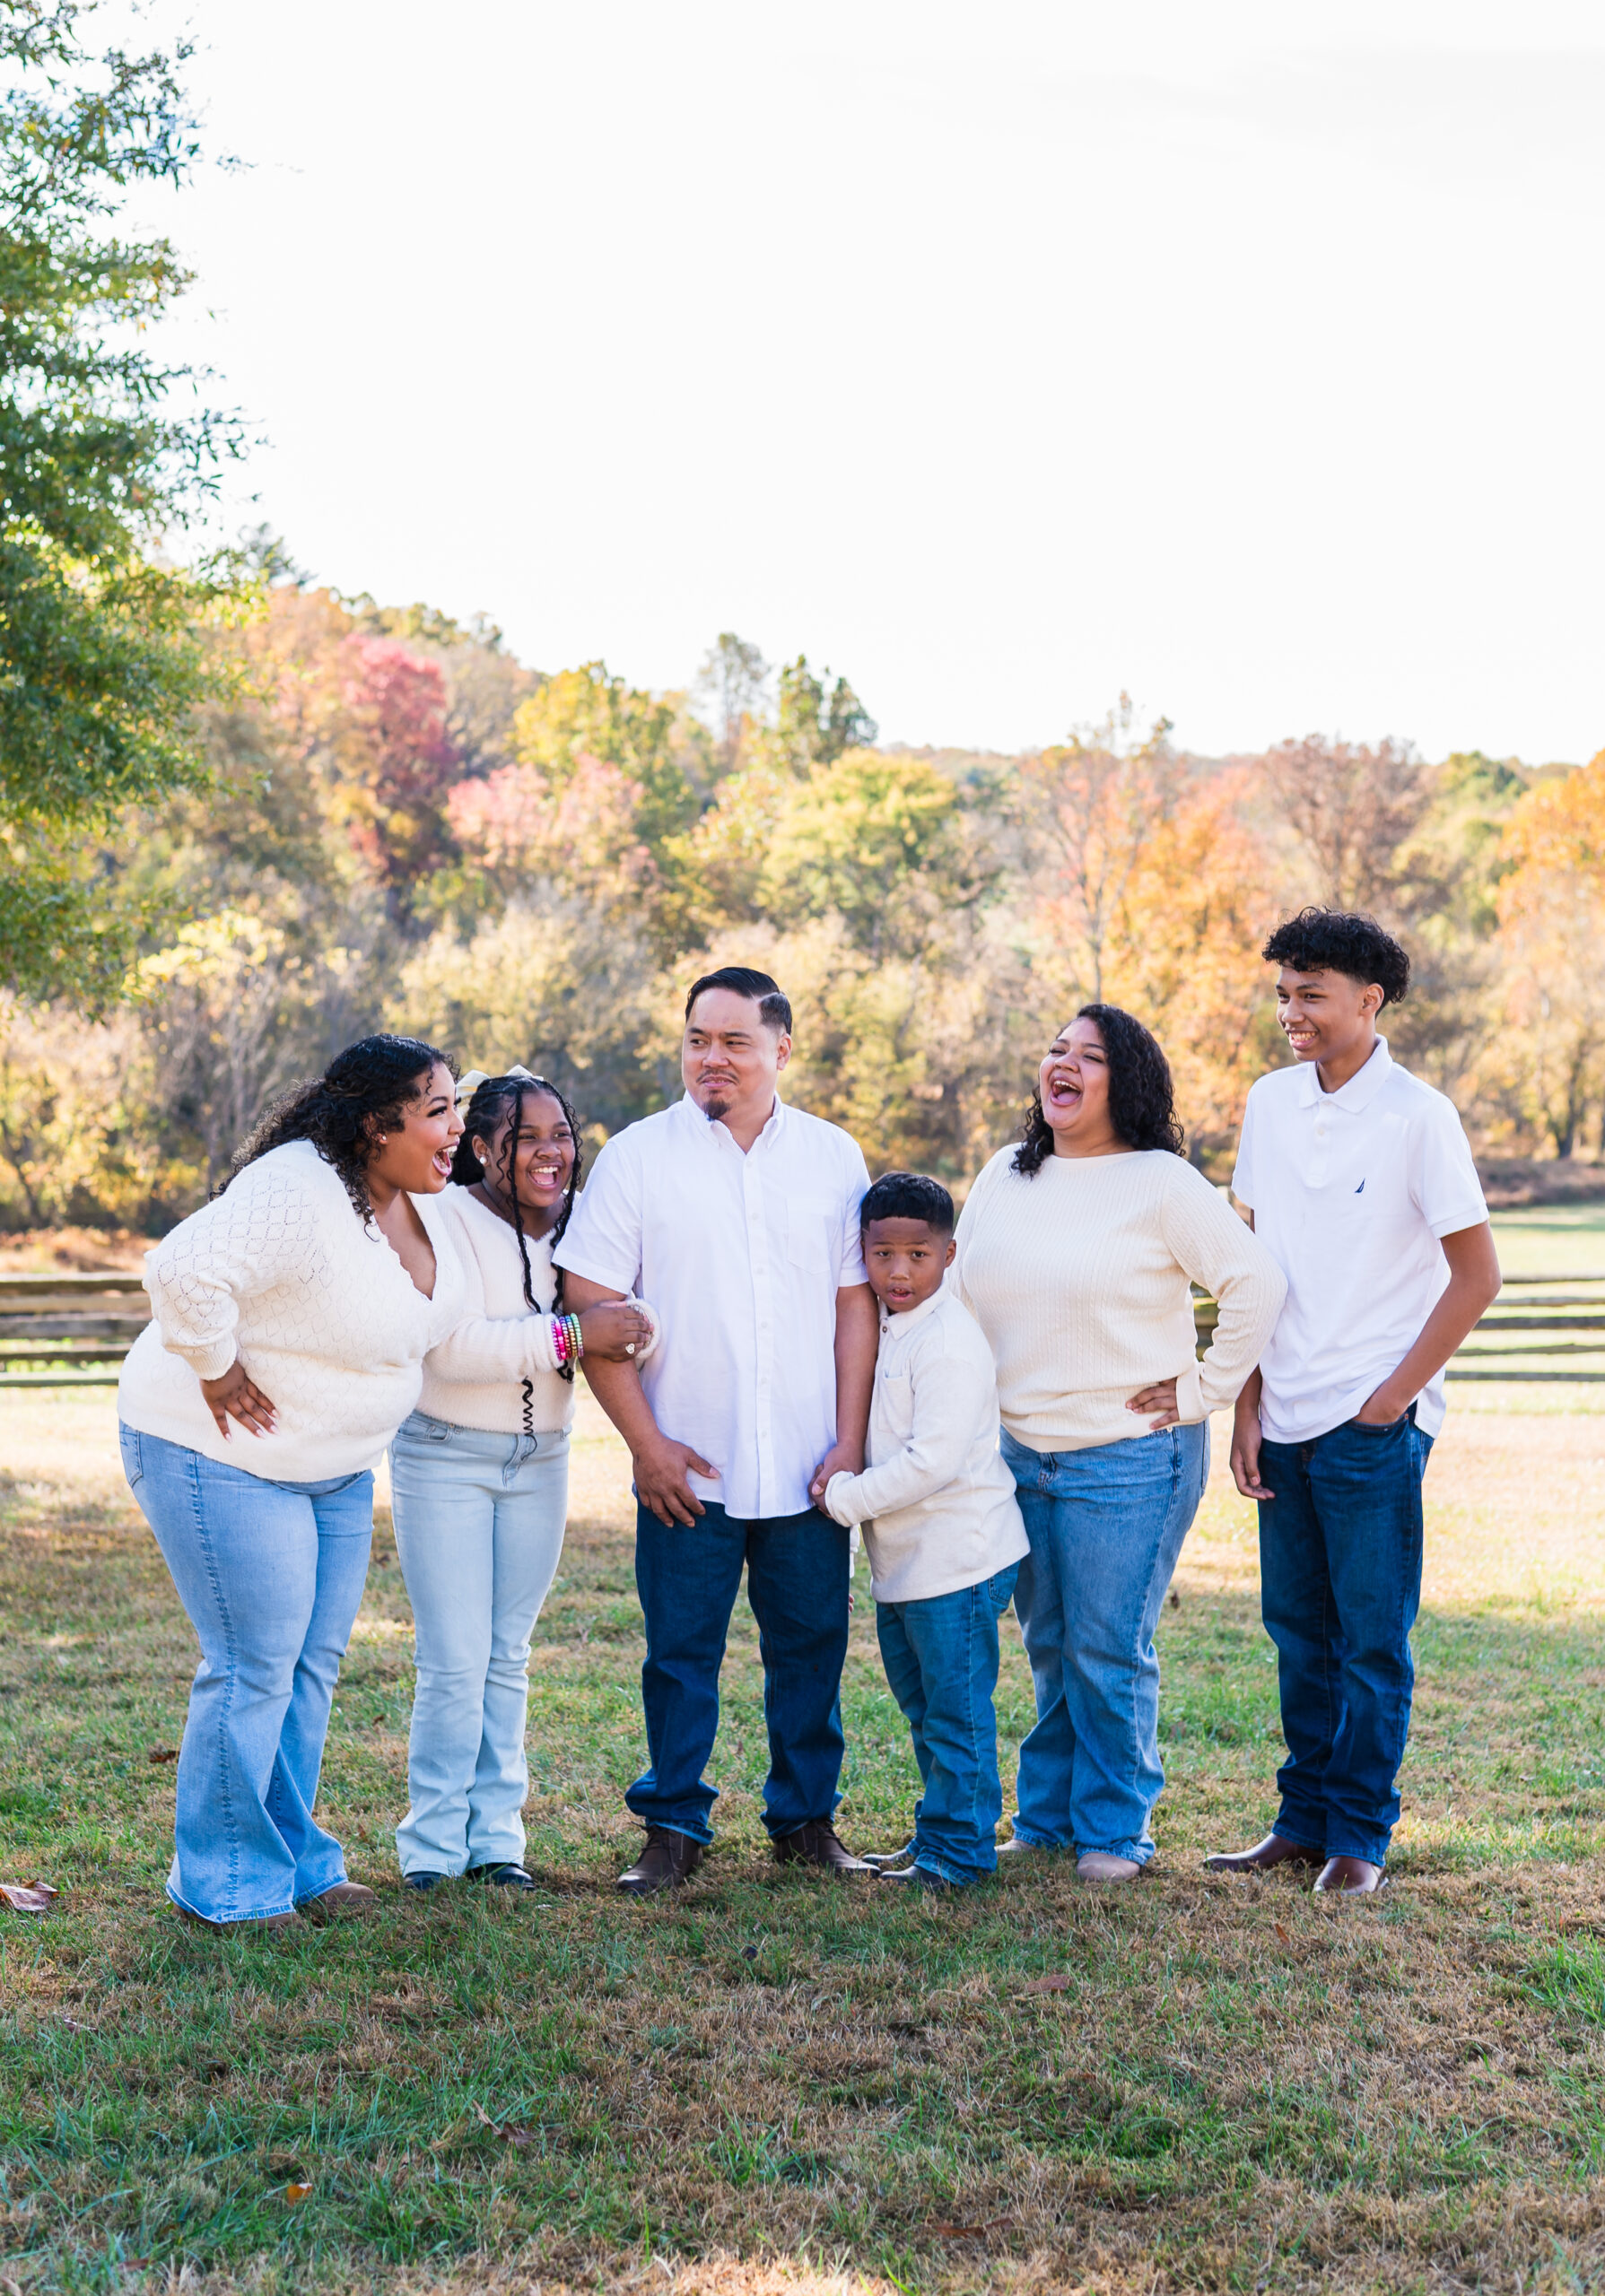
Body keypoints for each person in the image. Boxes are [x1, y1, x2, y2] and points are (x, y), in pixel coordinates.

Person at [116, 1036, 467, 1933]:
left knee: (307, 1670)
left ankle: (294, 1858)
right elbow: (181, 1270)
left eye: (455, 1105)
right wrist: (215, 1363)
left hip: (333, 1469)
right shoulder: (300, 1184)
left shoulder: (412, 1201)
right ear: (370, 1124)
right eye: (436, 1110)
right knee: (254, 1667)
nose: (455, 1126)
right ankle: (227, 1883)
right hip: (220, 1454)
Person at [555, 965, 879, 1895]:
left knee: (812, 1647)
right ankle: (671, 1828)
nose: (713, 1058)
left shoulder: (830, 1156)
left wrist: (849, 1440)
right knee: (679, 1654)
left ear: (782, 1048)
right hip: (683, 1464)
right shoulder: (636, 1158)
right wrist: (645, 1445)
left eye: (735, 1041)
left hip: (809, 1463)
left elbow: (853, 1305)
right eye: (699, 1039)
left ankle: (806, 1822)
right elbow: (591, 1306)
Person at [951, 1004, 1285, 1883]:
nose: (1063, 1063)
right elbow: (955, 1295)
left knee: (1105, 1648)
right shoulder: (1003, 1173)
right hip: (1017, 1452)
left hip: (1128, 1457)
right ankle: (1049, 1816)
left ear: (1123, 1083)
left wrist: (1206, 1388)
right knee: (1051, 1645)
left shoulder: (1160, 1182)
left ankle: (1114, 1832)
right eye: (1056, 1047)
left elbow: (1254, 1281)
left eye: (1089, 1056)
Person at [1210, 909, 1502, 1895]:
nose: (1290, 1011)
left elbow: (1476, 1275)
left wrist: (1391, 1399)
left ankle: (1357, 1839)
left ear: (1368, 999)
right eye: (1283, 992)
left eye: (1311, 993)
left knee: (1371, 1640)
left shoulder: (1419, 1115)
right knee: (1297, 1633)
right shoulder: (1269, 1102)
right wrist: (1246, 1400)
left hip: (1371, 1426)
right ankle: (1299, 1822)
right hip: (1281, 1412)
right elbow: (1254, 1265)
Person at [391, 1068, 658, 1893]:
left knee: (507, 1656)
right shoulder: (442, 1219)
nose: (551, 1153)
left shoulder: (582, 1228)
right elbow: (450, 1347)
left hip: (542, 1459)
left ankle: (496, 1844)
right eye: (525, 1137)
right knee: (453, 1659)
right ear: (480, 1148)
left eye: (561, 1135)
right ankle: (432, 1850)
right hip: (444, 1455)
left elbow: (624, 1328)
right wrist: (575, 1332)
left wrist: (627, 1332)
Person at [818, 1172, 1029, 1893]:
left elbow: (931, 1462)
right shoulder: (886, 1326)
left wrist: (844, 1500)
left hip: (959, 1560)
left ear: (949, 1254)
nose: (898, 1272)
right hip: (910, 1562)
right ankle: (939, 1832)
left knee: (956, 1713)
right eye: (882, 1256)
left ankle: (960, 1853)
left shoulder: (947, 1341)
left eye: (918, 1255)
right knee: (925, 1708)